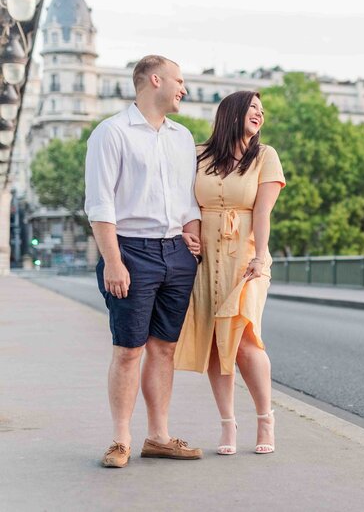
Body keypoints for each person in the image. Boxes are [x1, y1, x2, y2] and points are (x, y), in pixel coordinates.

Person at [85, 55, 204, 468]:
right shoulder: (111, 133)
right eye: (180, 80)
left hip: (176, 252)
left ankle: (159, 437)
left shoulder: (182, 138)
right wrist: (113, 261)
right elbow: (100, 205)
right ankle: (120, 441)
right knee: (128, 350)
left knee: (165, 349)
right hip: (130, 250)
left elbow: (189, 200)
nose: (184, 89)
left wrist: (195, 239)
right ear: (156, 80)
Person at [174, 90, 285, 456]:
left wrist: (261, 255)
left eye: (262, 110)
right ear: (232, 113)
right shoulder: (197, 155)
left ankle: (265, 418)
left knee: (245, 339)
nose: (260, 114)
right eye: (253, 108)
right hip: (205, 259)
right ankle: (227, 425)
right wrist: (188, 232)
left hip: (247, 256)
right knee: (214, 342)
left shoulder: (265, 157)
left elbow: (264, 212)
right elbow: (184, 202)